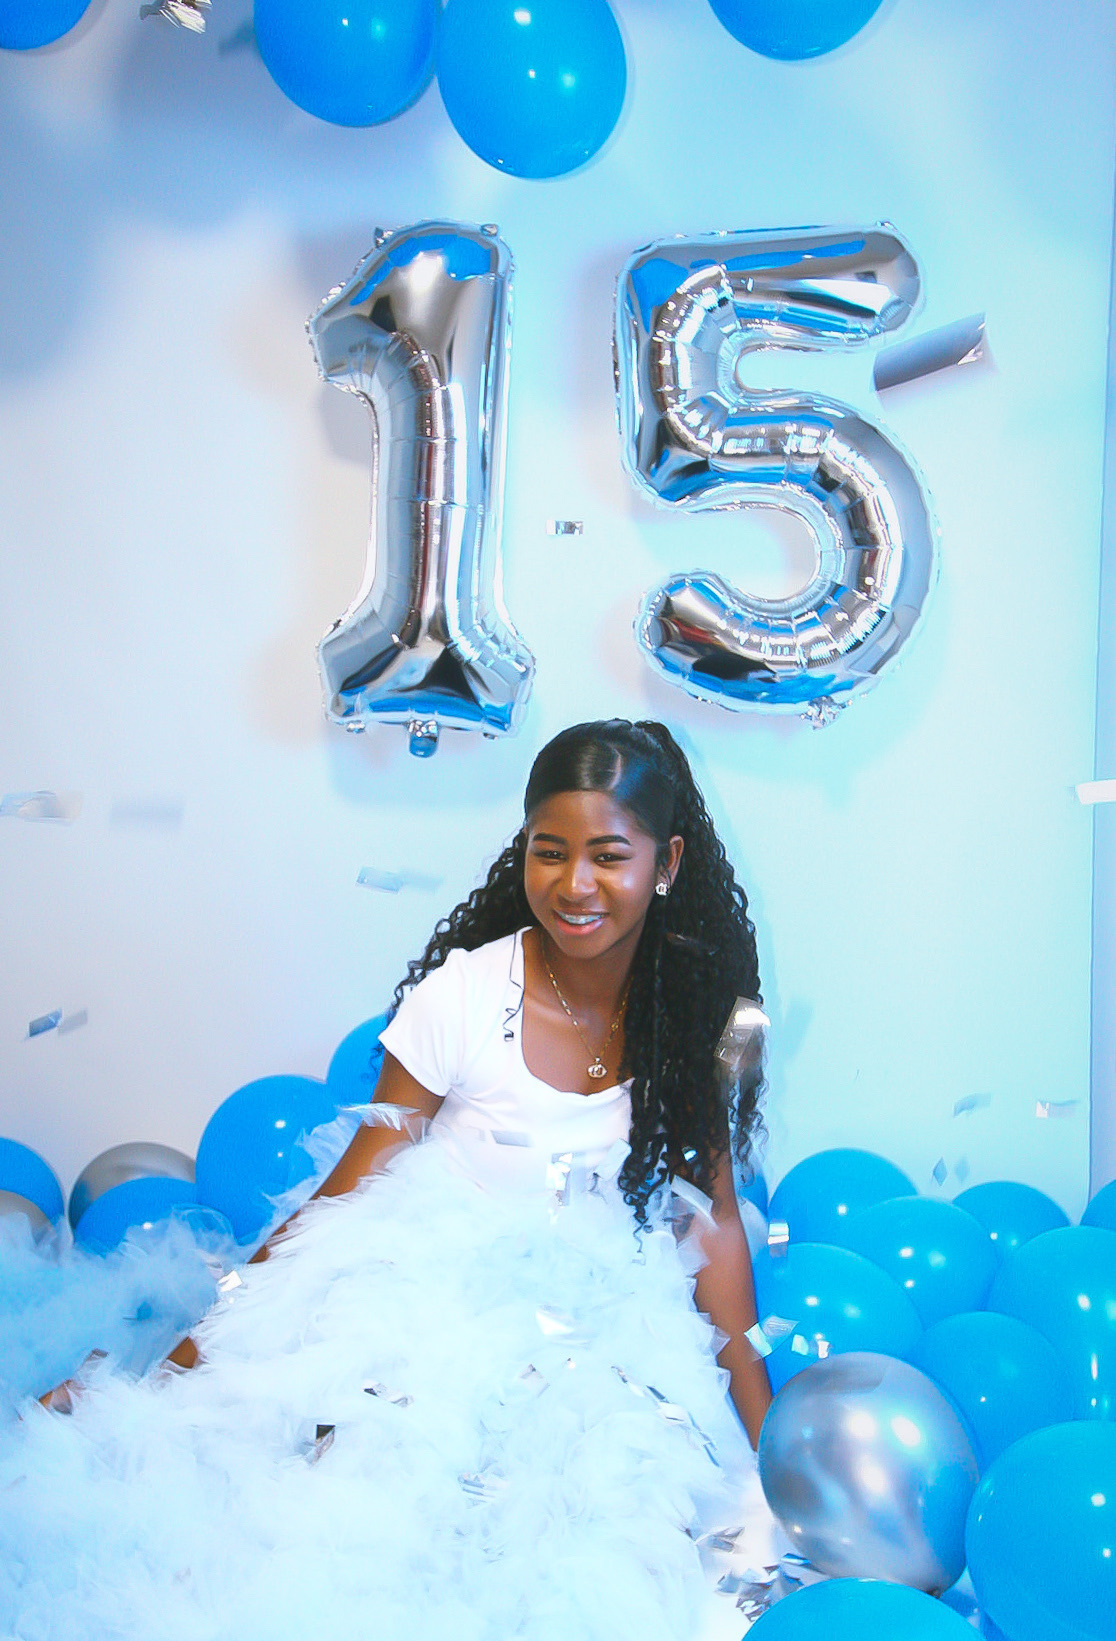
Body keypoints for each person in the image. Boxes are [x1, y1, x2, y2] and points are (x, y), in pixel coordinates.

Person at [4, 719, 777, 1641]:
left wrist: (767, 1435)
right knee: (355, 1515)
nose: (575, 884)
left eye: (609, 856)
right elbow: (344, 1194)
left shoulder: (706, 1018)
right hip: (432, 1302)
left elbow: (714, 1223)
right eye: (550, 851)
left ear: (667, 861)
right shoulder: (465, 995)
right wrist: (173, 1368)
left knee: (598, 1535)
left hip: (592, 1323)